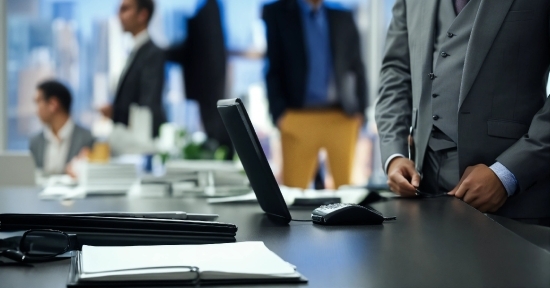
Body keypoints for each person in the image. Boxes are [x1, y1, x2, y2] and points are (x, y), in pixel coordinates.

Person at [375, 0, 550, 226]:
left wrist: (508, 173)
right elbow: (396, 71)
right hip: (422, 196)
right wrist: (394, 155)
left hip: (514, 204)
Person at [262, 0, 368, 189]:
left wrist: (361, 111)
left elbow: (357, 66)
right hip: (296, 116)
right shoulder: (277, 13)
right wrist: (279, 114)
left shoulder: (342, 17)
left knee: (347, 192)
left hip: (340, 116)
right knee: (293, 192)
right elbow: (273, 67)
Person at [166, 0, 233, 159]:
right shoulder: (209, 9)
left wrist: (163, 53)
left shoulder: (209, 9)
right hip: (209, 86)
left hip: (208, 87)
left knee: (216, 132)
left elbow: (202, 52)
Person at [101, 0, 166, 137]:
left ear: (142, 15)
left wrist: (115, 113)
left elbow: (148, 105)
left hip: (143, 142)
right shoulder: (135, 51)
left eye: (125, 9)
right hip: (131, 139)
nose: (119, 15)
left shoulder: (152, 54)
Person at [29, 80, 94, 175]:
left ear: (53, 104)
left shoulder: (88, 139)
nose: (36, 111)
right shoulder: (35, 141)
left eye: (38, 102)